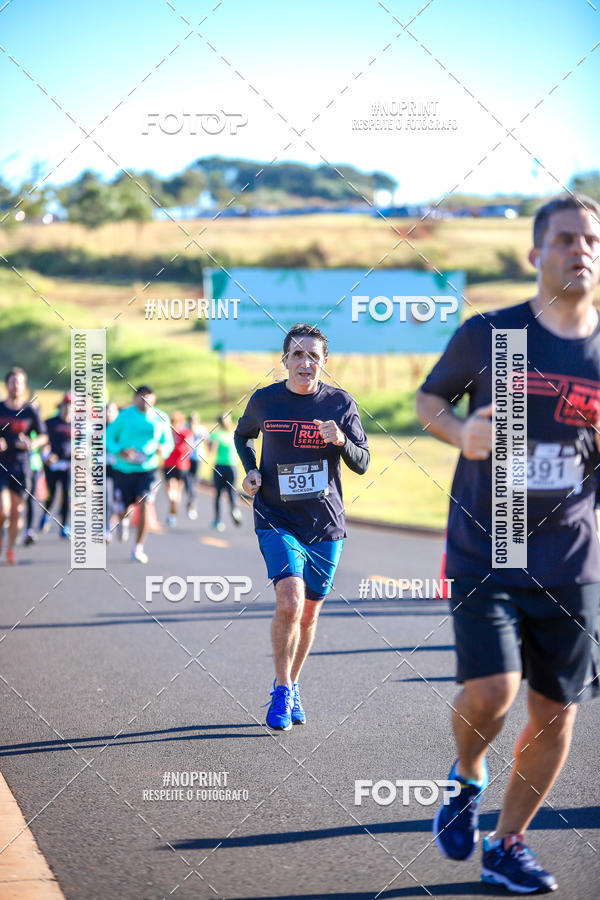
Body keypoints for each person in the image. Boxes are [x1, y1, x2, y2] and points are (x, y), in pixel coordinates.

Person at [416, 193, 600, 894]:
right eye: (563, 239)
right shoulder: (491, 334)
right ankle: (466, 778)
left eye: (590, 239)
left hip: (571, 558)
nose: (579, 249)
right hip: (487, 548)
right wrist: (460, 433)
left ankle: (508, 844)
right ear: (535, 254)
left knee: (556, 715)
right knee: (493, 692)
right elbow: (430, 400)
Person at [234, 323, 370, 730]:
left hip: (325, 523)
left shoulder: (341, 404)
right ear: (285, 361)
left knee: (309, 614)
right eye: (297, 355)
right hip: (276, 516)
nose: (305, 363)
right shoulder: (265, 401)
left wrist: (341, 440)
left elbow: (362, 463)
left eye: (313, 356)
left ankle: (294, 683)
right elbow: (243, 437)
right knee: (290, 601)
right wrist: (251, 471)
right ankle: (281, 688)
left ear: (325, 362)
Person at [106, 385, 174, 563]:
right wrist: (120, 450)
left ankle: (138, 548)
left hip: (148, 469)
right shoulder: (124, 416)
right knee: (124, 509)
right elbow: (108, 437)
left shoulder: (161, 417)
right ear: (134, 399)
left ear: (154, 399)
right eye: (140, 396)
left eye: (148, 397)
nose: (144, 400)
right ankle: (122, 520)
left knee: (145, 503)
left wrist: (163, 450)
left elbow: (168, 443)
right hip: (124, 469)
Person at [0, 367, 47, 564]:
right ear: (6, 384)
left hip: (21, 465)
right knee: (3, 510)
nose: (15, 385)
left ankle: (10, 548)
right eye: (12, 382)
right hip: (1, 464)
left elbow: (43, 436)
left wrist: (32, 444)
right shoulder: (0, 408)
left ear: (24, 385)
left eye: (19, 382)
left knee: (16, 512)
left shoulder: (30, 410)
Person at [39, 393, 72, 539]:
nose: (68, 408)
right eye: (66, 405)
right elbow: (43, 441)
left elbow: (85, 445)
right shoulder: (51, 422)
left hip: (69, 465)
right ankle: (46, 514)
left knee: (66, 494)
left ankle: (64, 525)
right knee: (51, 493)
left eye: (71, 405)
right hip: (52, 465)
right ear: (61, 406)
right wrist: (46, 456)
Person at [210, 412, 242, 531]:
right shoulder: (234, 433)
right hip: (232, 466)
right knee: (231, 491)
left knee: (218, 493)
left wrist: (209, 442)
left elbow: (211, 450)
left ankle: (218, 520)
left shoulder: (216, 434)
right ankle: (235, 510)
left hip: (220, 466)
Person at [163, 411, 193, 527]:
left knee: (174, 489)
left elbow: (190, 446)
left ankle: (172, 513)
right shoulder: (169, 432)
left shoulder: (184, 433)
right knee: (173, 490)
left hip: (180, 465)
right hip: (170, 464)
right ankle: (172, 512)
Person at [185, 411, 208, 520]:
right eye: (191, 419)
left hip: (197, 458)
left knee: (194, 482)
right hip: (186, 458)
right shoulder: (185, 428)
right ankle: (189, 499)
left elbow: (207, 440)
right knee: (187, 482)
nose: (193, 421)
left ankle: (192, 505)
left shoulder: (201, 429)